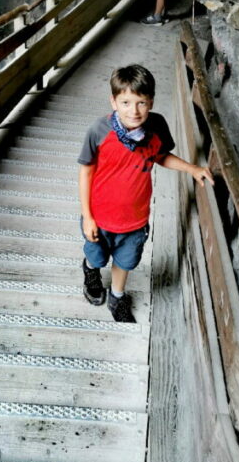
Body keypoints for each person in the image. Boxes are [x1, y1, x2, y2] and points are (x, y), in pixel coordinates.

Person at [78, 64, 214, 322]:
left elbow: (161, 156)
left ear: (151, 101)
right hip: (99, 215)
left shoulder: (157, 125)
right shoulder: (99, 131)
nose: (134, 110)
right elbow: (85, 172)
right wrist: (87, 216)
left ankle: (117, 297)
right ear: (114, 101)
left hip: (134, 220)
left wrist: (192, 168)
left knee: (125, 262)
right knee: (96, 256)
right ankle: (91, 271)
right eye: (126, 102)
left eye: (141, 102)